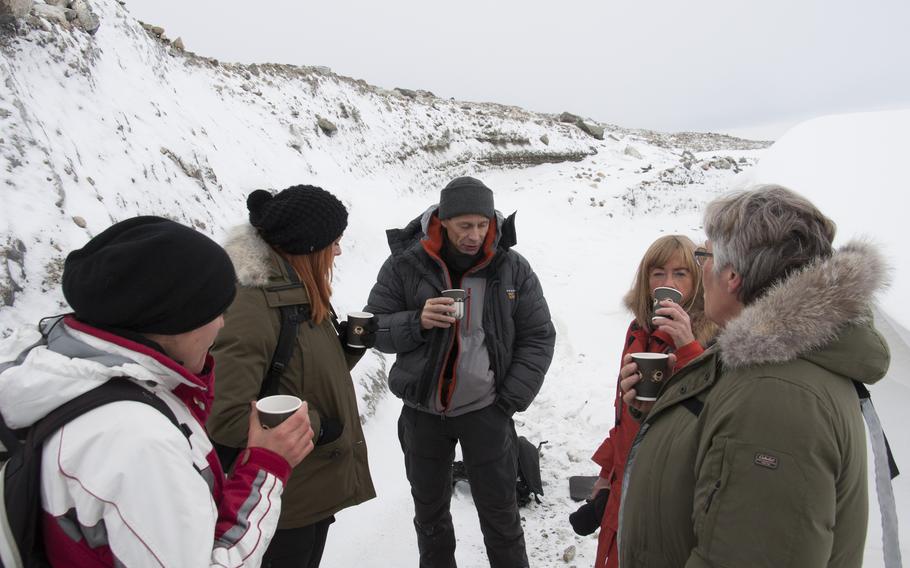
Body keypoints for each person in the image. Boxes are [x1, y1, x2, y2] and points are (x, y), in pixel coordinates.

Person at [0, 216, 315, 566]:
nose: (223, 324)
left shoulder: (64, 373)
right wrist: (266, 467)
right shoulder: (137, 442)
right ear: (174, 319)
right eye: (217, 312)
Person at [618, 185, 891, 567]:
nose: (702, 268)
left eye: (704, 256)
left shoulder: (777, 394)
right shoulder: (762, 364)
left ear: (732, 275)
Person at [365, 176, 556, 568]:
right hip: (422, 412)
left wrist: (508, 401)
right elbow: (373, 327)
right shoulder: (406, 264)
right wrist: (416, 321)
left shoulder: (511, 268)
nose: (475, 235)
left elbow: (538, 336)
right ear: (443, 221)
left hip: (487, 412)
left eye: (482, 224)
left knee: (501, 518)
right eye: (465, 225)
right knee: (430, 518)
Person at [207, 185, 376, 568]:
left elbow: (291, 373)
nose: (339, 250)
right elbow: (227, 416)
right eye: (333, 242)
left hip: (306, 487)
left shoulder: (292, 290)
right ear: (307, 246)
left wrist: (346, 349)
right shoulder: (252, 307)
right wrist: (314, 425)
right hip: (280, 502)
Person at [584, 235, 715, 568]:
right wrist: (605, 476)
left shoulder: (714, 336)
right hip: (625, 484)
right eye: (658, 273)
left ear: (697, 280)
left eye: (680, 274)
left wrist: (687, 346)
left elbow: (710, 412)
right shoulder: (637, 330)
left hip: (667, 496)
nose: (667, 283)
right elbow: (624, 416)